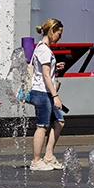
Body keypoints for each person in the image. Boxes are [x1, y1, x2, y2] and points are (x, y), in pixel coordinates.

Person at [26, 18, 66, 171]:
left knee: (59, 122)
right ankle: (36, 161)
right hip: (42, 92)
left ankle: (48, 156)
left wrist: (56, 67)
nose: (60, 36)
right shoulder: (43, 49)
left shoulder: (45, 49)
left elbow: (46, 71)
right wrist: (55, 96)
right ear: (51, 31)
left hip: (46, 91)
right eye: (59, 33)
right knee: (42, 126)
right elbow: (45, 75)